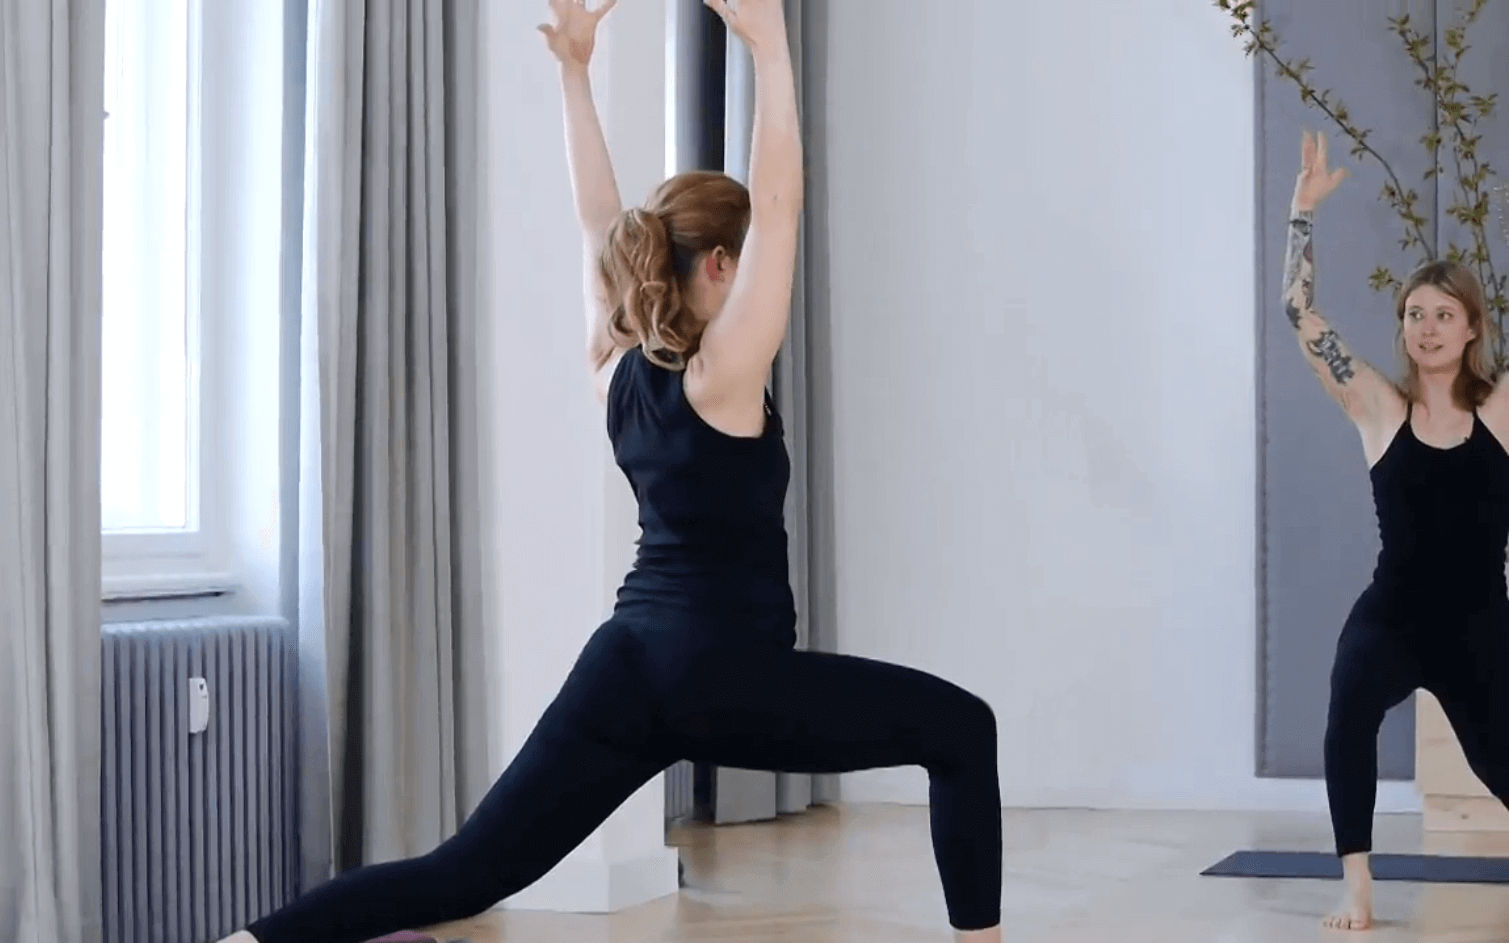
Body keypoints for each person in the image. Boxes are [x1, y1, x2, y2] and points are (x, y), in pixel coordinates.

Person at [218, 1, 1004, 941]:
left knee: (461, 872)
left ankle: (251, 941)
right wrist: (769, 47)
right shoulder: (723, 377)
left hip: (627, 663)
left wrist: (575, 74)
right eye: (747, 264)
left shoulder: (614, 368)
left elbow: (598, 218)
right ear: (721, 265)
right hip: (728, 675)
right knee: (962, 729)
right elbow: (779, 202)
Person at [1281, 130, 1509, 931]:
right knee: (1347, 707)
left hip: (1478, 624)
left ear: (1471, 327)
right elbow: (1298, 312)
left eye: (1443, 314)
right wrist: (1301, 212)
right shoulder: (1380, 408)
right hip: (1394, 614)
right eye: (1414, 314)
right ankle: (1357, 885)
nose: (1427, 327)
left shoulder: (1499, 413)